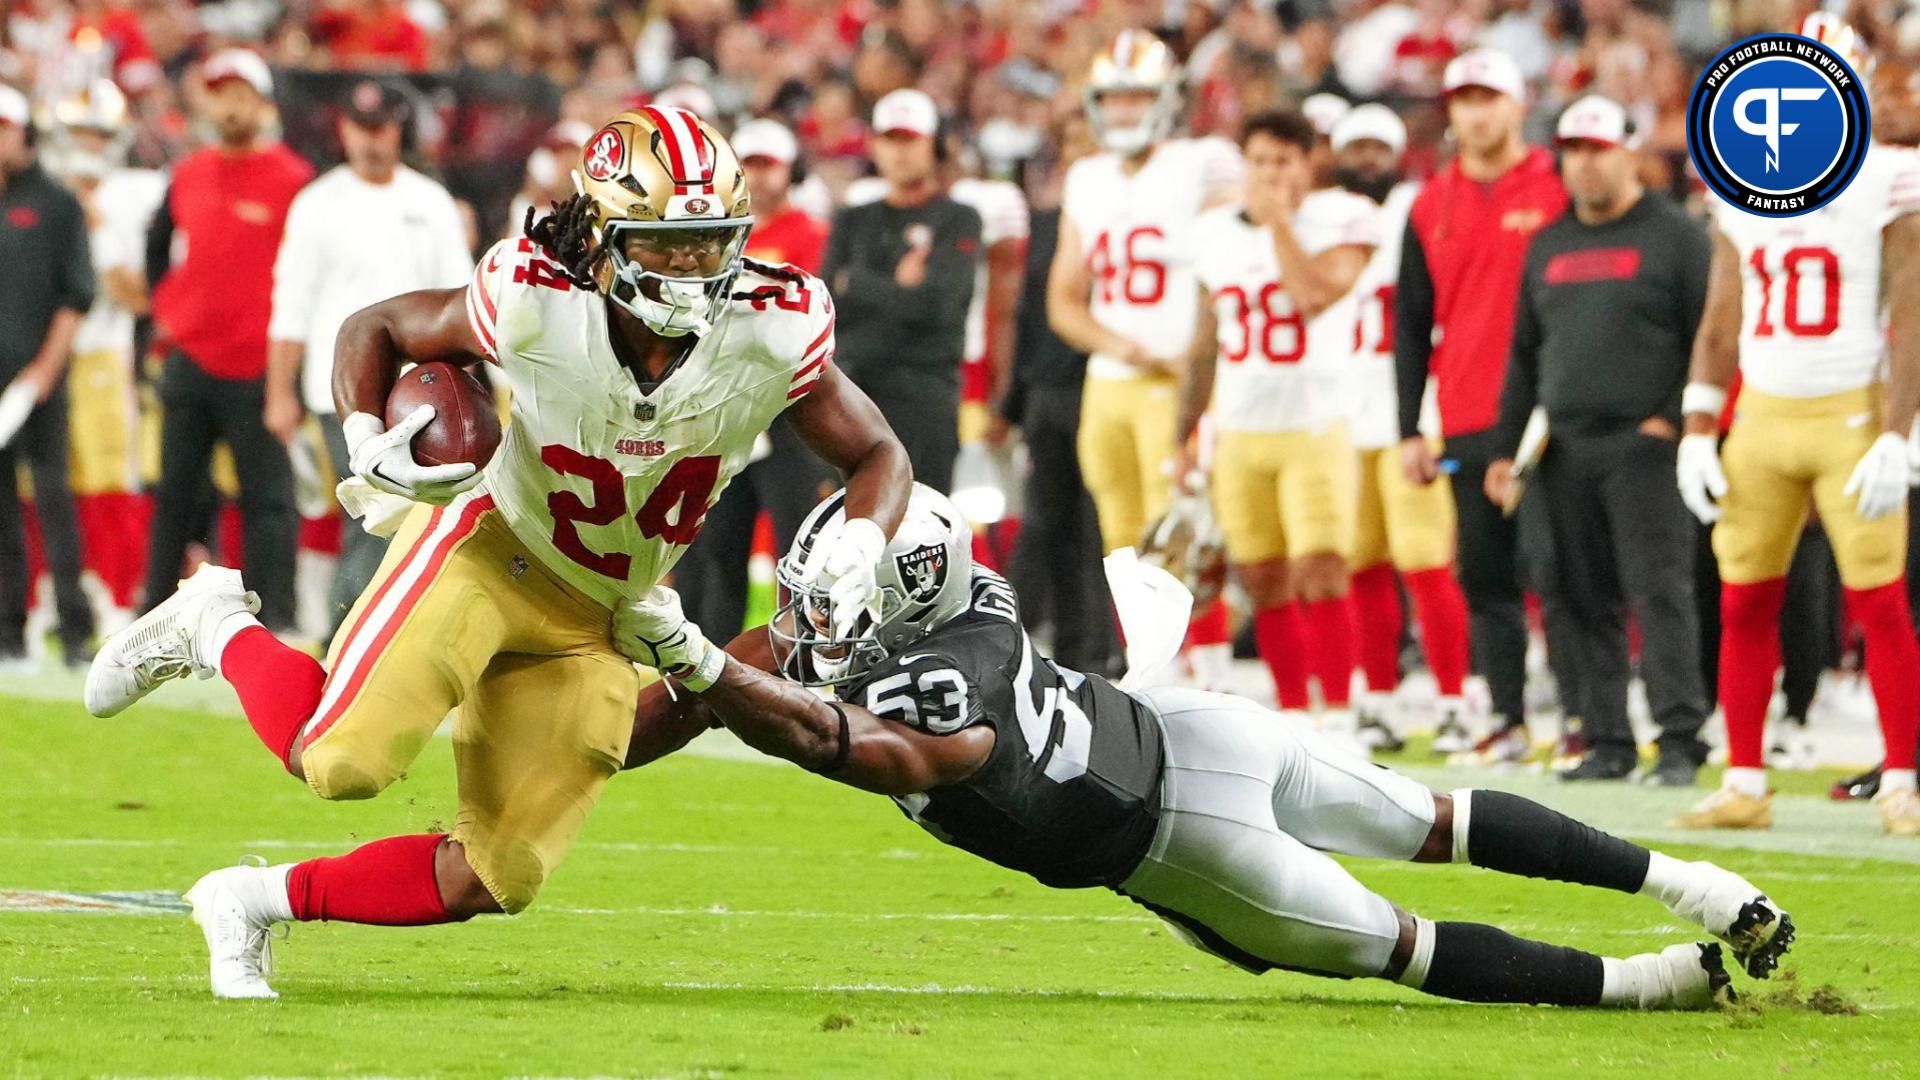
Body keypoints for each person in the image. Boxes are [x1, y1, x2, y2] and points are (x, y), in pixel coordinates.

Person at [85, 106, 913, 998]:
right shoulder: (534, 298)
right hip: (488, 548)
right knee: (342, 763)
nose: (691, 267)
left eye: (710, 244)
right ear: (600, 235)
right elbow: (379, 326)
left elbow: (878, 453)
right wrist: (366, 436)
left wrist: (861, 538)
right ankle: (214, 623)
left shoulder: (773, 323)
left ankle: (248, 901)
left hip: (607, 614)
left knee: (497, 873)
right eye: (665, 244)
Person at [617, 482, 1796, 1010]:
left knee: (1405, 943)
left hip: (1183, 842)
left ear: (902, 599)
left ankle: (1644, 989)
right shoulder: (943, 601)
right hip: (1185, 727)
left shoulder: (939, 680)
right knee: (1435, 821)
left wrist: (701, 666)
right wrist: (614, 740)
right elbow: (772, 665)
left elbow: (841, 741)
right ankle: (1701, 891)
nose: (814, 624)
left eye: (836, 604)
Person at [1675, 16, 1920, 836]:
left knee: (1878, 601)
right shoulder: (1740, 179)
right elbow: (1720, 317)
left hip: (1850, 406)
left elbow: (1916, 308)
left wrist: (1899, 429)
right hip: (1763, 414)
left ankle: (1903, 781)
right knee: (1744, 598)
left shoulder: (1889, 174)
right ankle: (1745, 778)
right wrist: (1698, 423)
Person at [1485, 96, 1711, 787]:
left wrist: (1671, 420)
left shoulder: (1676, 237)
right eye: (1572, 149)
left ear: (1628, 150)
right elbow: (1524, 354)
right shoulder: (1549, 242)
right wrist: (1503, 448)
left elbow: (1709, 336)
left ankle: (1679, 738)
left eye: (1597, 147)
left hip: (1643, 444)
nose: (1583, 161)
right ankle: (1606, 737)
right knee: (1579, 599)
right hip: (1565, 444)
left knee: (1658, 592)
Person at [1392, 48, 1575, 762]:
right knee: (1487, 578)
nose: (1475, 112)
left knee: (1560, 572)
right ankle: (1507, 718)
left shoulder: (1557, 184)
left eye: (1488, 98)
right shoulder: (1429, 202)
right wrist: (1408, 426)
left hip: (1551, 413)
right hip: (1468, 412)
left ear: (1517, 104)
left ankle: (1586, 721)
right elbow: (1409, 322)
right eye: (1463, 99)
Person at [1175, 110, 1374, 735]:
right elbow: (1205, 341)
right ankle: (1292, 717)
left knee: (1322, 569)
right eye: (1259, 162)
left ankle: (1339, 717)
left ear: (1309, 163)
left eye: (1283, 162)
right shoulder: (1212, 232)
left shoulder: (1342, 217)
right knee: (1261, 576)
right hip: (1239, 427)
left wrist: (1280, 225)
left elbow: (1315, 295)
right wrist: (1181, 433)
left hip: (1315, 426)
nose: (1269, 175)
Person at [267, 79, 472, 638]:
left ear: (398, 129)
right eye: (361, 128)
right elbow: (292, 300)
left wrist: (467, 383)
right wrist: (279, 392)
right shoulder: (318, 202)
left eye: (380, 128)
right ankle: (347, 638)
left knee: (407, 517)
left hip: (417, 392)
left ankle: (365, 639)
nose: (370, 141)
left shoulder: (428, 202)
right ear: (343, 129)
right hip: (337, 390)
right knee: (375, 514)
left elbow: (458, 298)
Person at [1047, 31, 1242, 555]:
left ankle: (1206, 644)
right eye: (1114, 98)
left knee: (1187, 537)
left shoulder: (1205, 162)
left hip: (1181, 382)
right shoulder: (1087, 176)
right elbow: (1062, 301)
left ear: (1166, 98)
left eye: (1137, 97)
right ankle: (1142, 643)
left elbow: (1229, 271)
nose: (1124, 111)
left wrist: (1195, 358)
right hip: (1109, 383)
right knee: (1122, 547)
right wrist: (1127, 348)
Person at [141, 50, 314, 632]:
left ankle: (276, 622)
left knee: (268, 502)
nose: (229, 105)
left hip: (259, 366)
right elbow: (156, 246)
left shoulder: (294, 181)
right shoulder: (187, 173)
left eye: (240, 93)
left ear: (263, 105)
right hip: (190, 359)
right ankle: (152, 620)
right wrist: (166, 309)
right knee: (174, 496)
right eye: (219, 93)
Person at [1331, 103, 1472, 751]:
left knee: (1425, 563)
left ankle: (1453, 700)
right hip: (1342, 410)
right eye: (1354, 148)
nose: (1366, 160)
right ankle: (1378, 700)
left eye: (1376, 147)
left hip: (1414, 409)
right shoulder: (1318, 216)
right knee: (1361, 563)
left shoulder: (1419, 206)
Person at [675, 117, 834, 639]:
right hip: (718, 407)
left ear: (792, 171)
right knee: (719, 544)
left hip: (788, 410)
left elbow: (799, 322)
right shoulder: (709, 236)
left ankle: (800, 660)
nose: (759, 177)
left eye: (770, 165)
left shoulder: (811, 234)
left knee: (797, 543)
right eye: (750, 164)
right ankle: (711, 671)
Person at [40, 78, 167, 632]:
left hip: (100, 349)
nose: (88, 144)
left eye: (99, 134)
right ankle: (41, 593)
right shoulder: (33, 188)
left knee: (110, 472)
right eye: (79, 133)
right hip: (34, 350)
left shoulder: (136, 192)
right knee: (36, 480)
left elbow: (139, 293)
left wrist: (96, 227)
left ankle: (117, 593)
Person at [999, 123, 1119, 676]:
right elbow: (1027, 315)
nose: (1080, 159)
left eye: (1088, 147)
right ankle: (1016, 642)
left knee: (1097, 525)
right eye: (1072, 148)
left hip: (1102, 385)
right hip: (1048, 391)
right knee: (1044, 522)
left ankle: (1095, 649)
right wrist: (1014, 400)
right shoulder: (1048, 224)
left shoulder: (1122, 221)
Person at [822, 89, 981, 493]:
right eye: (890, 139)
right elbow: (826, 306)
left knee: (924, 530)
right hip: (852, 395)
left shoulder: (959, 219)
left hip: (924, 396)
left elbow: (941, 306)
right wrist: (898, 290)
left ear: (935, 145)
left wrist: (858, 282)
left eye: (910, 139)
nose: (900, 152)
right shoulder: (852, 219)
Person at [0, 82, 96, 666]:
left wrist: (42, 372)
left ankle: (74, 626)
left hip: (39, 384)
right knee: (0, 507)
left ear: (22, 132)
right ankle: (8, 627)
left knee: (55, 499)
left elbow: (75, 296)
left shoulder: (57, 203)